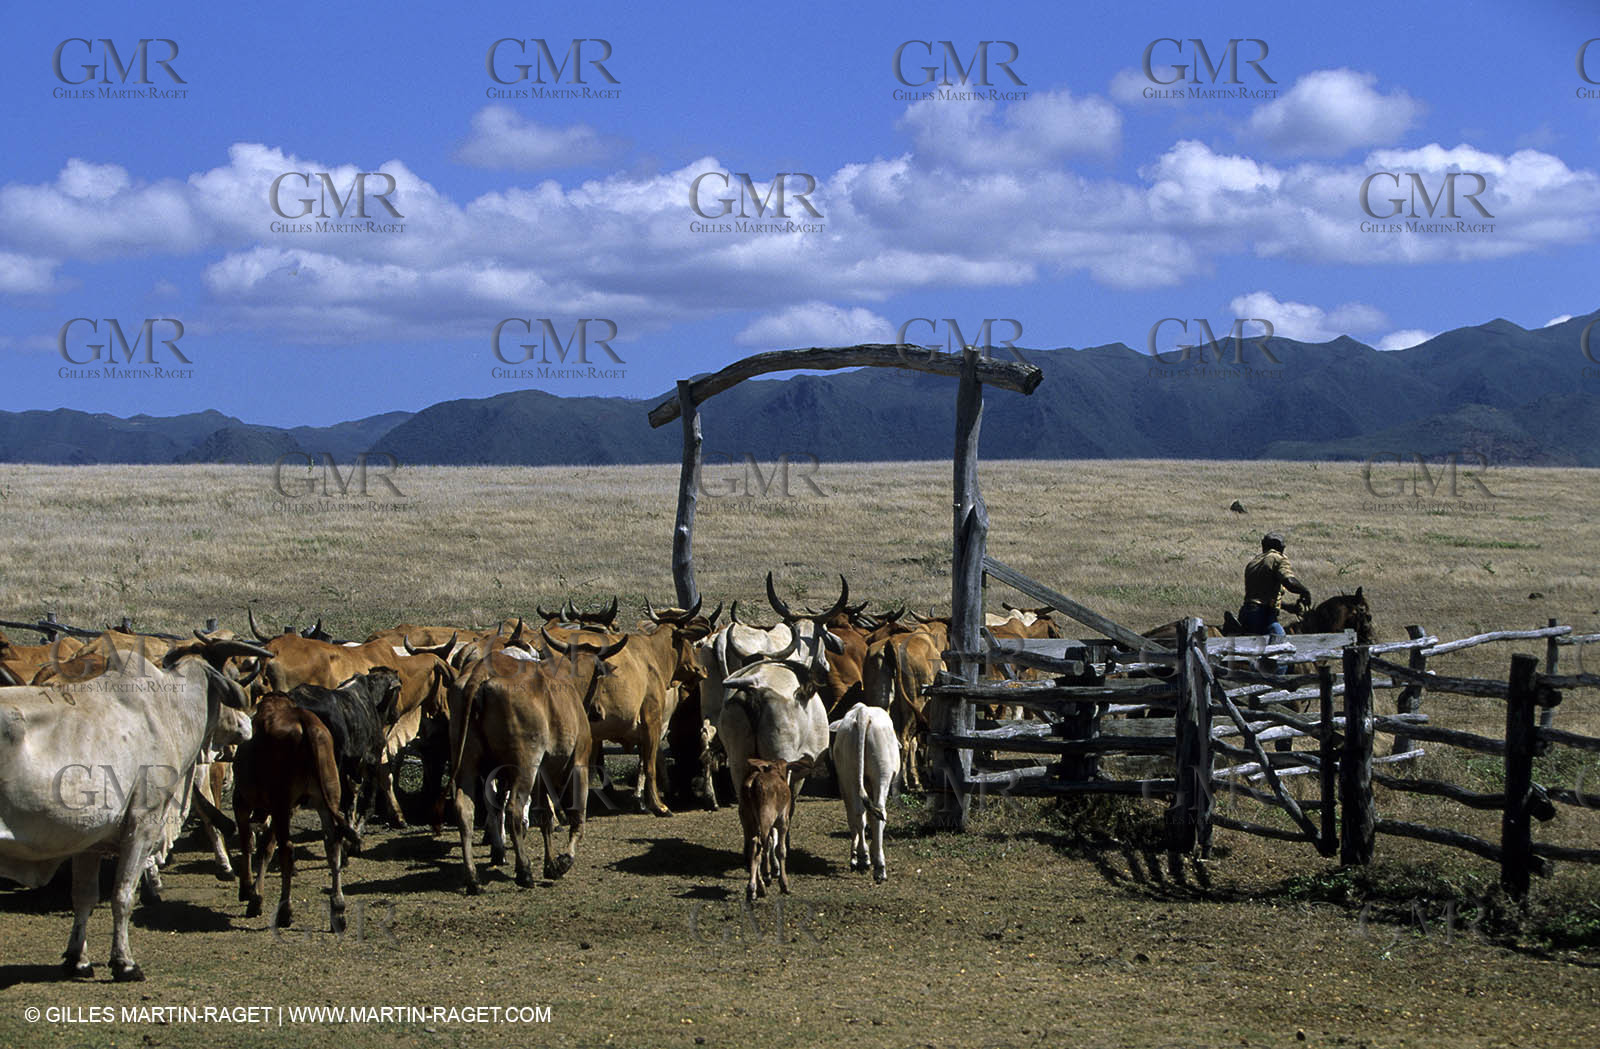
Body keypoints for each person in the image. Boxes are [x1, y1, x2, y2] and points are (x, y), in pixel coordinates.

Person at [1238, 532, 1311, 637]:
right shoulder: (1278, 558)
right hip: (1263, 614)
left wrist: (1286, 607)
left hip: (1247, 612)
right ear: (1280, 547)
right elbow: (1289, 581)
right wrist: (1305, 591)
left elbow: (1260, 595)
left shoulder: (1254, 562)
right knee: (1282, 643)